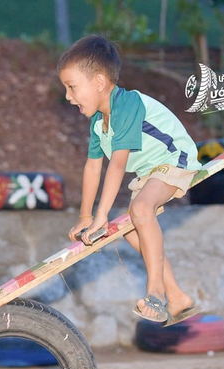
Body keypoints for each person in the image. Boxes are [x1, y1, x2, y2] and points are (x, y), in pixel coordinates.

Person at [57, 35, 200, 326]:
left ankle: (155, 291)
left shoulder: (128, 104)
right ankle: (177, 296)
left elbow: (118, 165)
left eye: (72, 87)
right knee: (131, 229)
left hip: (174, 158)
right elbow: (93, 167)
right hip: (150, 171)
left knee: (140, 211)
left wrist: (101, 217)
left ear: (98, 82)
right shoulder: (99, 122)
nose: (68, 96)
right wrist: (86, 215)